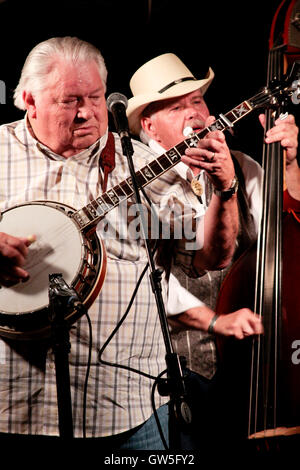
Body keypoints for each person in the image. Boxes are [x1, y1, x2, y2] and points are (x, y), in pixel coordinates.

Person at [0, 38, 241, 451]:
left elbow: (211, 257)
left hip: (126, 409)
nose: (86, 112)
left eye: (94, 97)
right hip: (14, 405)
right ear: (28, 100)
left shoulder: (143, 166)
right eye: (68, 100)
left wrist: (226, 190)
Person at [126, 53, 299, 448]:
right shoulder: (137, 182)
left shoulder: (244, 165)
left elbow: (291, 224)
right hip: (175, 375)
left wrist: (288, 166)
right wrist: (225, 187)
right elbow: (207, 259)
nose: (195, 113)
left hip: (250, 361)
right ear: (149, 126)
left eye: (198, 101)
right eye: (176, 106)